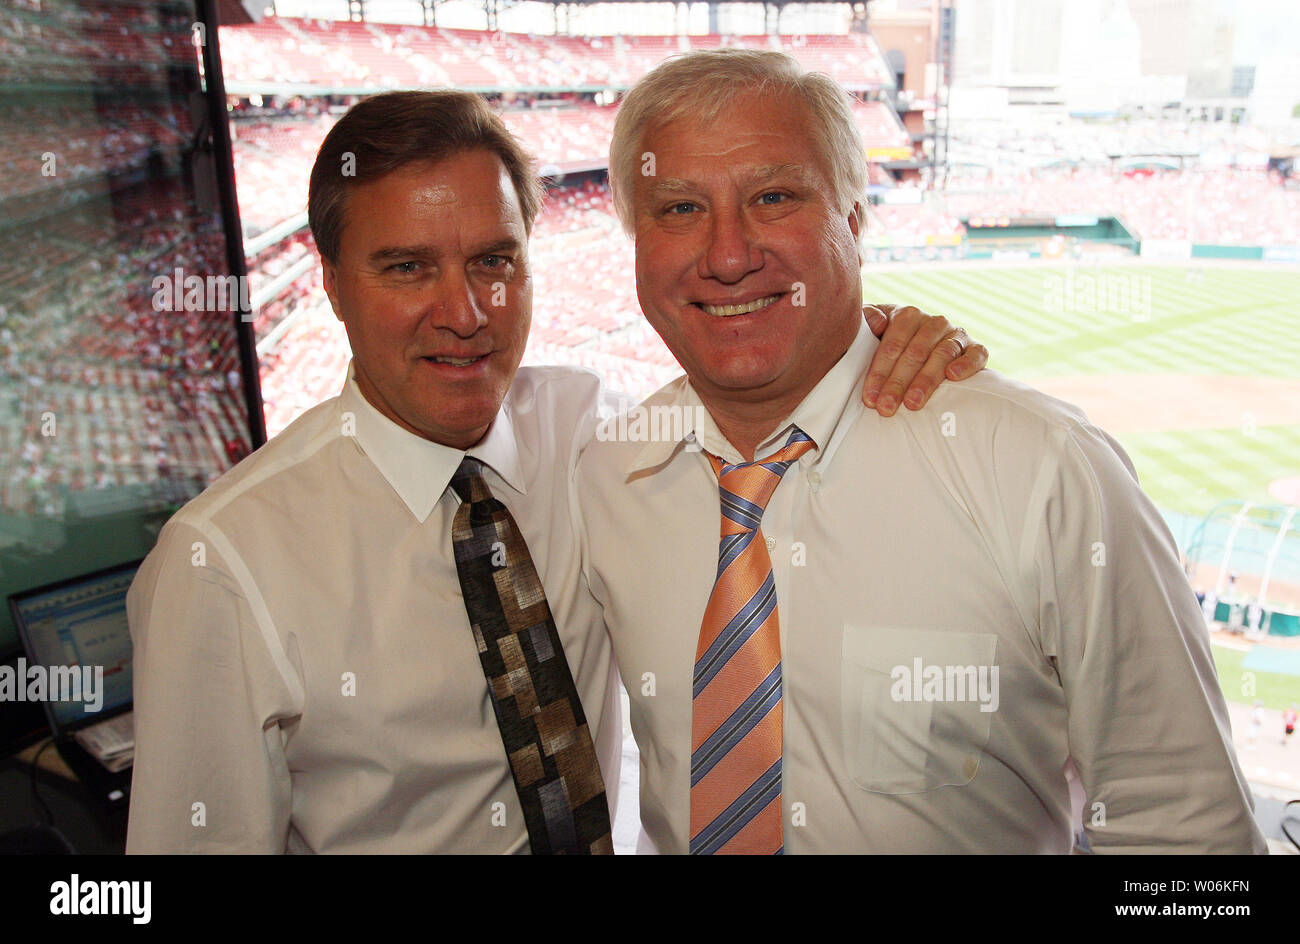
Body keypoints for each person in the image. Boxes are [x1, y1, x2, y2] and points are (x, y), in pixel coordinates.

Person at [124, 90, 984, 853]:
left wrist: (881, 333)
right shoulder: (223, 565)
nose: (463, 314)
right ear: (334, 284)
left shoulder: (595, 435)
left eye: (493, 262)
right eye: (407, 267)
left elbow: (769, 377)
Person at [576, 49, 1267, 854]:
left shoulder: (1042, 469)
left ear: (854, 225)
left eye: (773, 197)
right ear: (633, 239)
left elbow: (1190, 838)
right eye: (679, 208)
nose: (729, 255)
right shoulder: (602, 477)